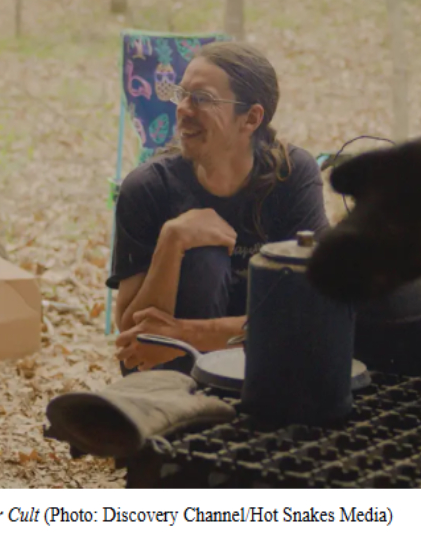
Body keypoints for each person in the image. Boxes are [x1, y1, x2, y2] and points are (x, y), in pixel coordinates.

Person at [109, 41, 329, 372]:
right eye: (182, 94)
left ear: (251, 118)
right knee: (204, 259)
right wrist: (172, 241)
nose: (183, 109)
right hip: (171, 380)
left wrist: (183, 334)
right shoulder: (148, 187)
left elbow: (312, 313)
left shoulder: (291, 176)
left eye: (202, 98)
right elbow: (132, 341)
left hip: (265, 369)